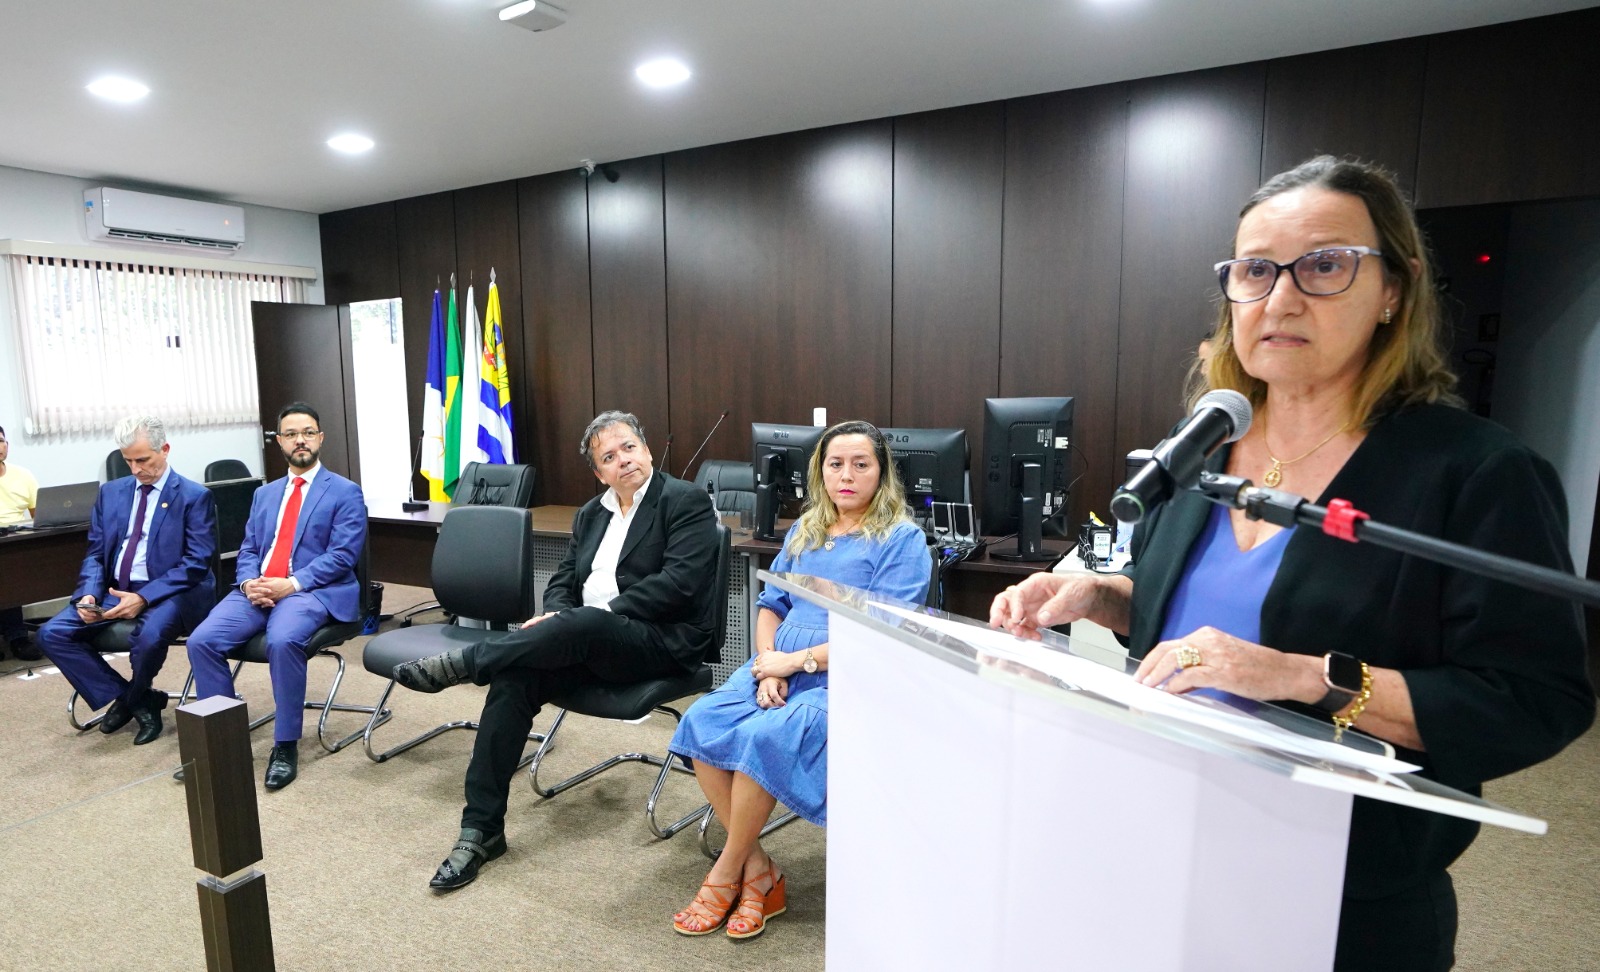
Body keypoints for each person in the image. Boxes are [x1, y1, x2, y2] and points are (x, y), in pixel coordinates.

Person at [990, 156, 1594, 971]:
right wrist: (1101, 595)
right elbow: (1198, 623)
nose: (1280, 298)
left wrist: (1304, 677)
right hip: (1164, 844)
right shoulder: (1201, 448)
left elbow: (1535, 701)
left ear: (1394, 290)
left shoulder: (1477, 473)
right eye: (1255, 271)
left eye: (1324, 265)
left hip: (1340, 893)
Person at [393, 410, 720, 891]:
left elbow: (680, 583)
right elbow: (565, 580)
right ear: (599, 473)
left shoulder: (684, 500)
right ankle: (481, 830)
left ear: (647, 450)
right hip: (585, 641)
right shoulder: (591, 514)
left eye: (630, 447)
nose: (623, 460)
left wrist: (590, 617)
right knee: (514, 679)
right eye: (609, 457)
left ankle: (468, 663)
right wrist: (558, 618)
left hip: (659, 642)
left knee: (585, 620)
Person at [668, 420, 931, 940]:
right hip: (780, 662)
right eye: (836, 464)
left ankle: (727, 870)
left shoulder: (902, 539)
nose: (846, 476)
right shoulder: (806, 529)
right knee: (702, 720)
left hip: (847, 673)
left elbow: (882, 634)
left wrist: (795, 664)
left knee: (764, 737)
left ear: (882, 473)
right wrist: (768, 663)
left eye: (861, 464)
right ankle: (760, 869)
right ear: (820, 471)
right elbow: (771, 605)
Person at [186, 403, 366, 791]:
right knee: (202, 641)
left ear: (320, 438)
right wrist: (248, 582)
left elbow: (342, 555)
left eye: (308, 432)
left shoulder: (344, 492)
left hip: (311, 590)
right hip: (259, 587)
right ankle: (223, 741)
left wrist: (292, 583)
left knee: (282, 641)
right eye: (291, 434)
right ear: (279, 442)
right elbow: (250, 548)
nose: (300, 440)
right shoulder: (264, 494)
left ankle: (285, 745)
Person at [36, 416, 217, 743]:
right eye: (128, 461)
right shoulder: (111, 493)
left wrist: (144, 597)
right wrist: (88, 595)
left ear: (165, 449)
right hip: (114, 589)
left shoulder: (193, 496)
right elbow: (96, 553)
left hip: (170, 592)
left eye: (143, 460)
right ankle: (140, 698)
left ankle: (130, 699)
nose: (135, 469)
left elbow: (196, 562)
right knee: (52, 634)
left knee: (149, 636)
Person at [0, 423, 43, 659]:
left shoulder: (22, 475)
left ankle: (17, 636)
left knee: (11, 570)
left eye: (1, 441)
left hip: (15, 540)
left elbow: (40, 517)